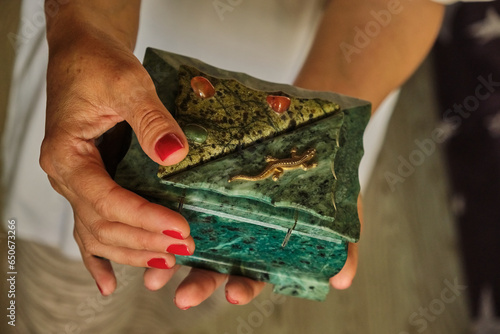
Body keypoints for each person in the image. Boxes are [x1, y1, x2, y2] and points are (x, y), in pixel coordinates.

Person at [1, 0, 469, 332]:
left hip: (318, 86)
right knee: (62, 306)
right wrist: (86, 31)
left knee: (178, 308)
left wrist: (317, 116)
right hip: (99, 105)